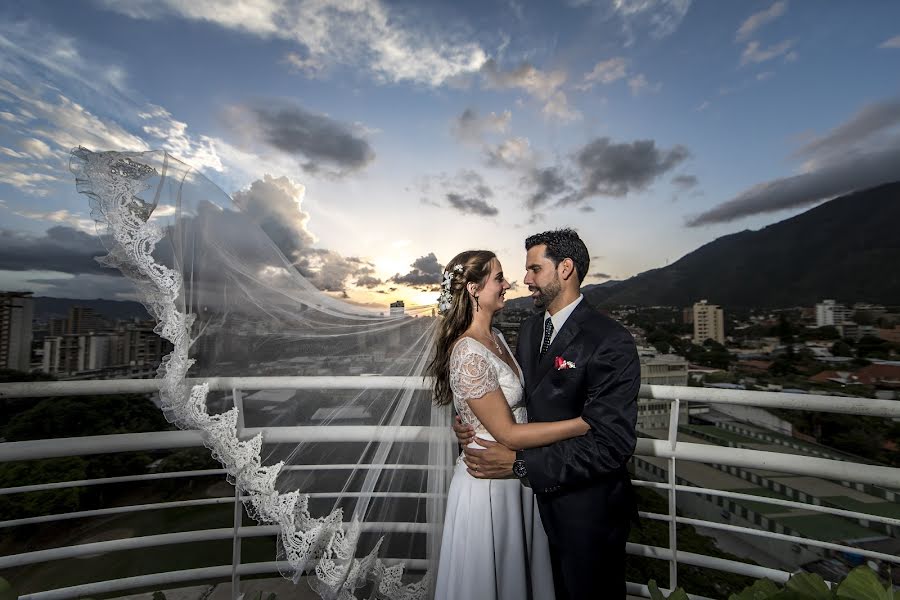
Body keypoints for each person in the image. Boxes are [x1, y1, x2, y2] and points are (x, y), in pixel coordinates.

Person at [453, 229, 640, 600]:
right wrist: (468, 424)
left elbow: (612, 444)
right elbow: (507, 395)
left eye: (535, 269)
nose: (524, 280)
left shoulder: (610, 340)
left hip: (583, 511)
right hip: (527, 505)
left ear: (565, 269)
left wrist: (522, 465)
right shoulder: (529, 329)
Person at [429, 249, 591, 600]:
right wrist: (583, 424)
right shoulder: (468, 351)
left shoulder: (498, 337)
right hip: (488, 480)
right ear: (473, 289)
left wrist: (468, 421)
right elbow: (506, 432)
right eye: (499, 278)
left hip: (515, 474)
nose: (508, 284)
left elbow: (508, 404)